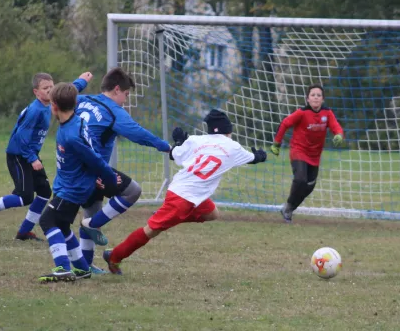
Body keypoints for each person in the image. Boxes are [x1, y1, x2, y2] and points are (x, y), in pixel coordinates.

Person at [101, 109, 267, 275]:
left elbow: (173, 154)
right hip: (183, 197)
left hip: (186, 191)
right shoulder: (233, 147)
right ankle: (114, 256)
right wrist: (260, 155)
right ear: (228, 130)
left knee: (212, 214)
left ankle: (171, 218)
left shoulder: (196, 140)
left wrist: (180, 142)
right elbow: (254, 158)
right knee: (151, 230)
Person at [0, 71, 93, 240]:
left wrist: (82, 81)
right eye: (45, 88)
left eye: (51, 87)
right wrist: (32, 158)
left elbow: (66, 92)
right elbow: (21, 138)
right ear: (36, 92)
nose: (50, 91)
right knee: (24, 196)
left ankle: (24, 232)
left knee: (44, 192)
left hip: (30, 154)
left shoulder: (51, 102)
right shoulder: (35, 111)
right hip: (18, 155)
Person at [74, 68, 171, 272]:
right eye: (126, 95)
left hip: (74, 166)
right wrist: (166, 146)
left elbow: (61, 98)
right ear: (117, 89)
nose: (125, 101)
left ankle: (85, 265)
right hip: (93, 168)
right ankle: (92, 225)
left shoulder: (82, 100)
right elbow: (137, 133)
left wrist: (79, 83)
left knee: (92, 208)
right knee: (132, 191)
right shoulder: (112, 111)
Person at [38, 82, 118, 283]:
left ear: (54, 106)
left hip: (72, 190)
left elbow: (94, 159)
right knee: (63, 226)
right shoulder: (75, 122)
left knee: (47, 220)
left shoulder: (72, 136)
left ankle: (63, 267)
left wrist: (108, 178)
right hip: (68, 185)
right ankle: (82, 268)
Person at [270, 84, 344, 223]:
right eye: (313, 95)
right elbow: (285, 123)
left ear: (323, 99)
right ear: (307, 99)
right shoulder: (301, 112)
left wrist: (339, 135)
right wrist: (277, 143)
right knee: (300, 180)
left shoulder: (327, 113)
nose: (316, 97)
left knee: (309, 186)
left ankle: (289, 207)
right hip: (299, 151)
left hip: (315, 155)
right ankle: (288, 207)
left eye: (319, 95)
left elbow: (336, 126)